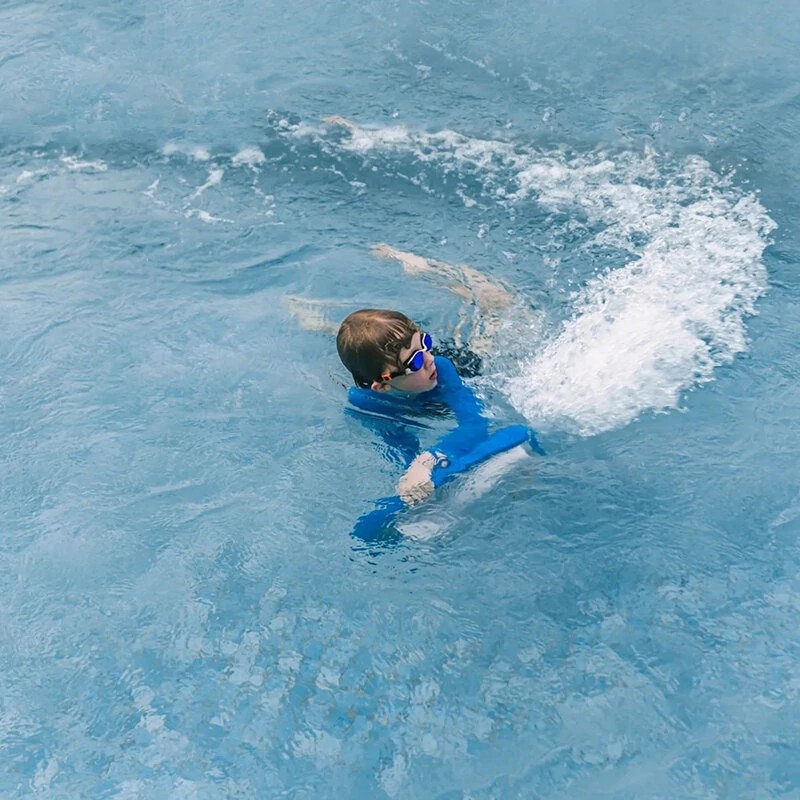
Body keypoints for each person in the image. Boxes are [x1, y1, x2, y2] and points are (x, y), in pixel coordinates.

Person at [336, 308, 490, 505]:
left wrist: (428, 461)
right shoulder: (367, 403)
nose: (429, 358)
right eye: (415, 361)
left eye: (425, 342)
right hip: (416, 398)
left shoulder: (442, 367)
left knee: (483, 344)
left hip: (466, 367)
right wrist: (412, 478)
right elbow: (400, 445)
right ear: (382, 385)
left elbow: (476, 425)